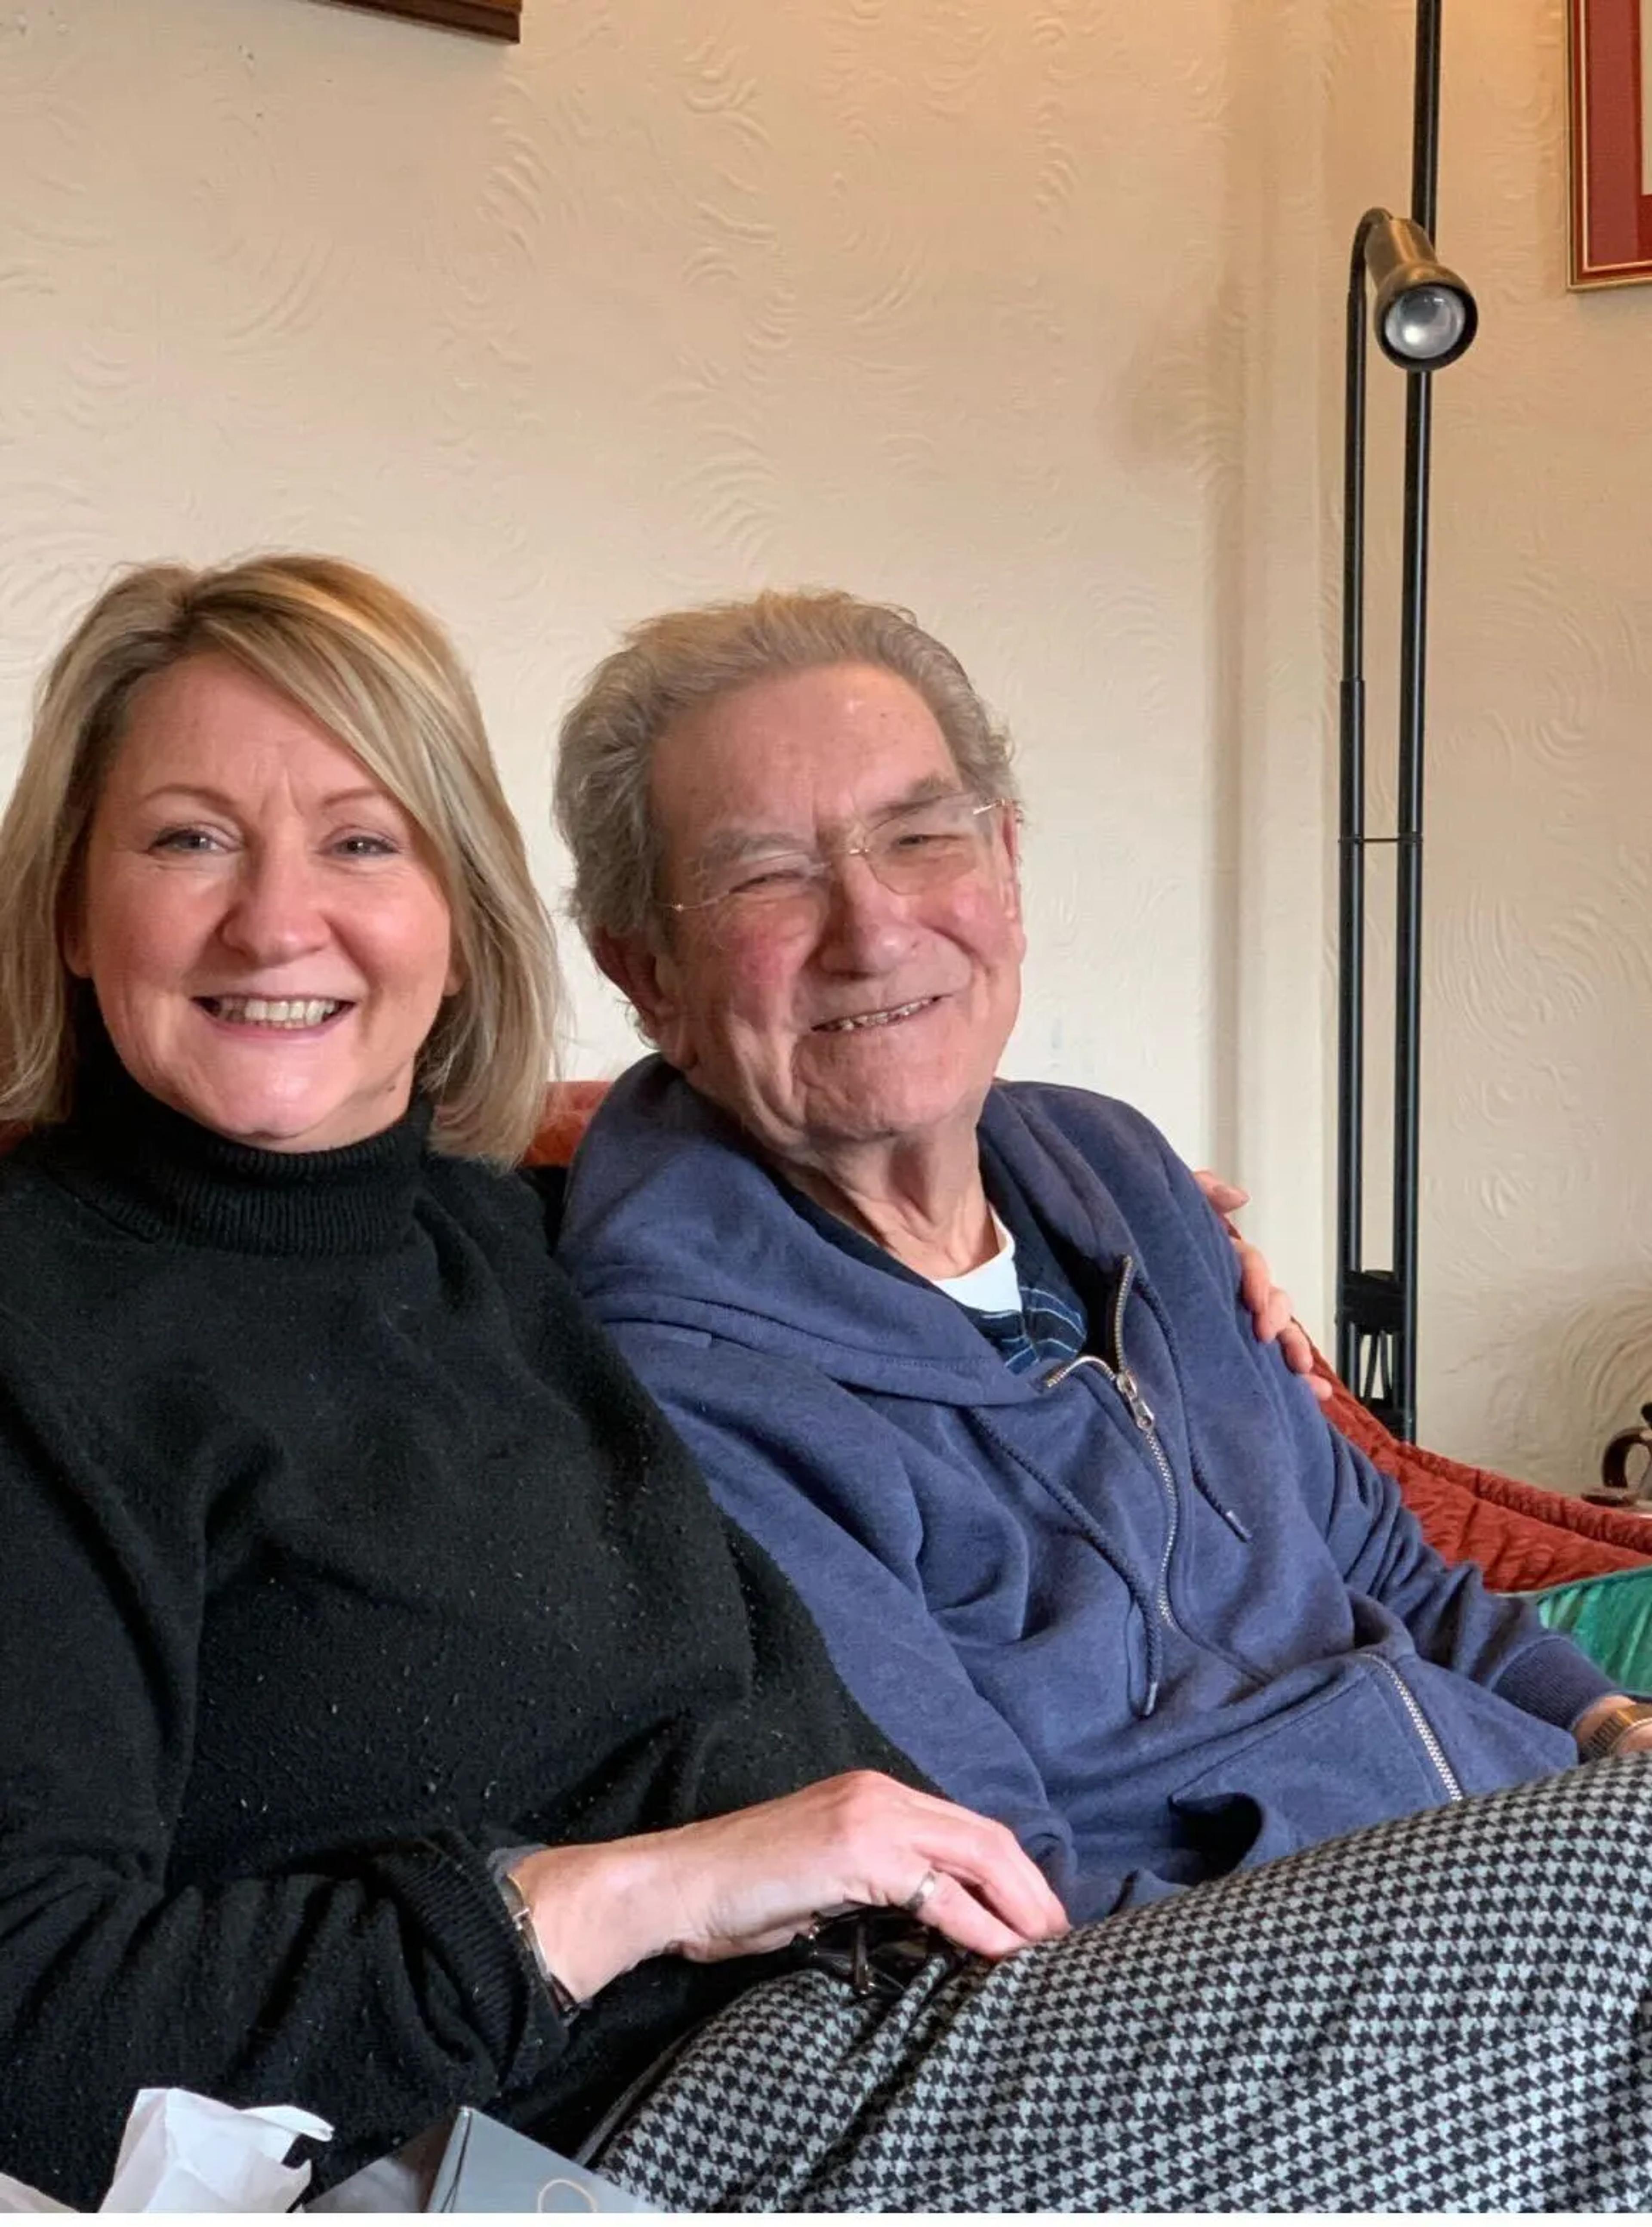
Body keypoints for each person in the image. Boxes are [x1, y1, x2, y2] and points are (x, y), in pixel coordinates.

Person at [3, 559, 1649, 2216]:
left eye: (363, 843)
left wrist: (1202, 1295)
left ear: (455, 918)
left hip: (890, 2018)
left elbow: (719, 1141)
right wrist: (629, 1894)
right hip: (683, 2114)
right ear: (70, 904)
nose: (281, 921)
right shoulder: (65, 1329)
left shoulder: (494, 1245)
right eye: (188, 839)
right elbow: (40, 2020)